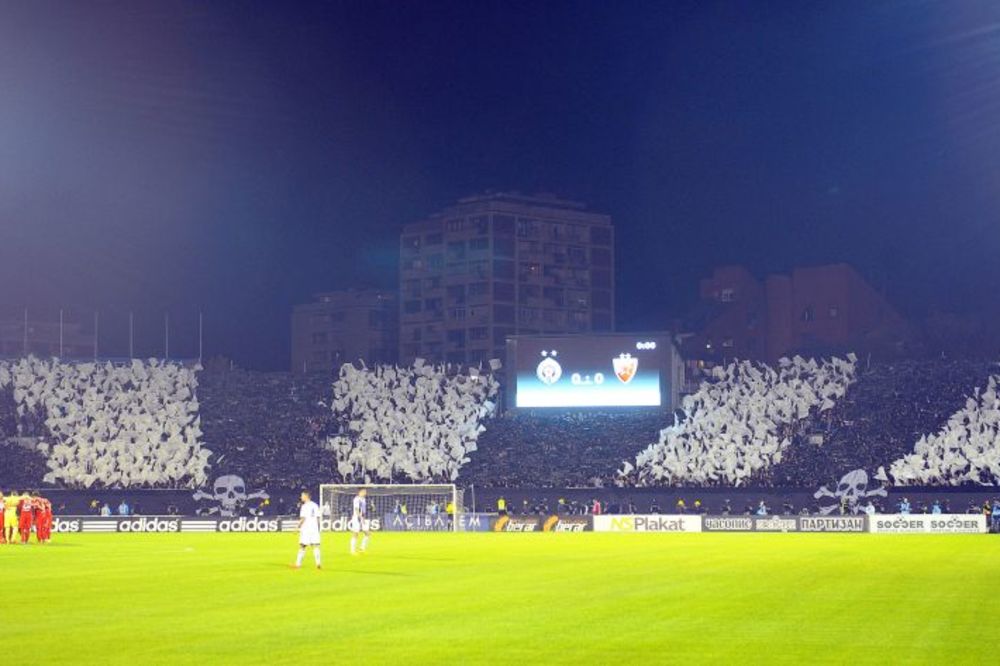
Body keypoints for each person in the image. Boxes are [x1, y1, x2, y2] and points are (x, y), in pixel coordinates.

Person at [293, 491, 321, 570]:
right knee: (315, 546)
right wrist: (318, 528)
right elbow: (318, 518)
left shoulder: (304, 506)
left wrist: (297, 528)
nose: (301, 497)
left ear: (306, 496)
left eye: (302, 496)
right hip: (314, 528)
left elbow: (303, 518)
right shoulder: (315, 505)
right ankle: (318, 564)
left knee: (302, 546)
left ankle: (298, 564)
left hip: (306, 528)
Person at [350, 488, 371, 555]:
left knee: (368, 534)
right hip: (357, 518)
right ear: (360, 492)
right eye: (364, 491)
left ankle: (362, 548)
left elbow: (363, 510)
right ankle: (352, 550)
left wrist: (363, 518)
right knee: (355, 534)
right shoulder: (356, 499)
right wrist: (359, 517)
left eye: (366, 491)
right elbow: (356, 509)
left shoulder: (364, 499)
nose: (365, 493)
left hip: (362, 518)